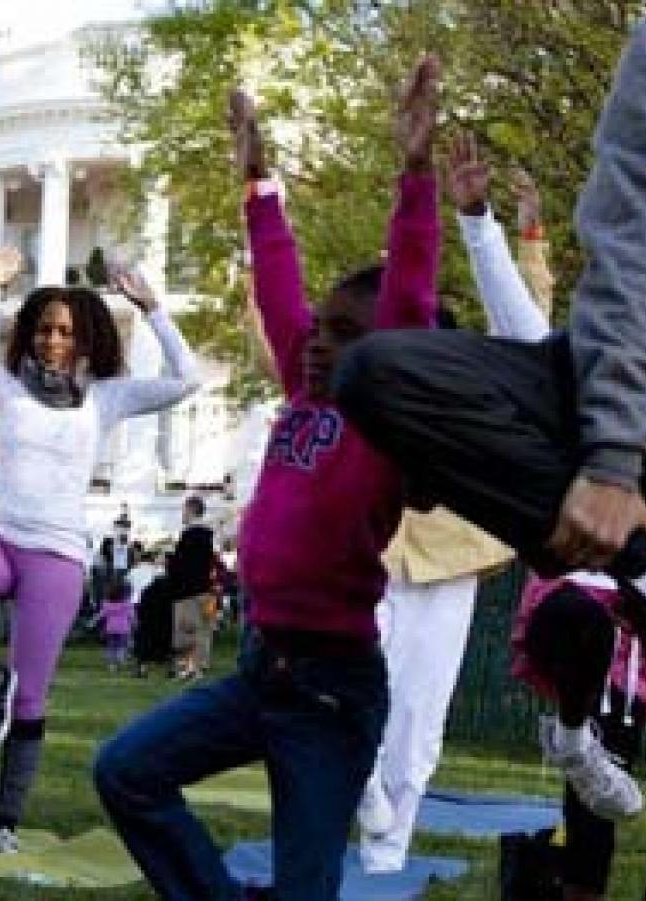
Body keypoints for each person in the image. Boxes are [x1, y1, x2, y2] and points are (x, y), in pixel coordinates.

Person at [94, 55, 441, 901]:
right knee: (125, 771)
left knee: (305, 890)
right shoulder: (301, 384)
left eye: (343, 334)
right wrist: (258, 183)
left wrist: (417, 176)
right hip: (261, 672)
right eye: (318, 330)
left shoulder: (383, 424)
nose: (318, 342)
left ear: (386, 351)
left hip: (331, 693)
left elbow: (408, 301)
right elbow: (279, 277)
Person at [332, 15, 646, 848]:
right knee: (376, 371)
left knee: (448, 690)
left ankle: (581, 720)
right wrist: (612, 463)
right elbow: (609, 262)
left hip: (591, 485)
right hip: (595, 428)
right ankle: (645, 568)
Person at [0, 247, 200, 853]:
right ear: (29, 332)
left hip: (57, 558)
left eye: (66, 332)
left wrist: (154, 309)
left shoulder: (106, 397)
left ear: (86, 341)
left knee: (30, 698)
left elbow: (187, 380)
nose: (53, 340)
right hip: (0, 536)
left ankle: (4, 823)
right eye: (45, 328)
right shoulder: (1, 384)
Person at [357, 135, 554, 873]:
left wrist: (521, 235)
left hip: (454, 557)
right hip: (371, 552)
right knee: (354, 687)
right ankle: (364, 795)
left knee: (421, 714)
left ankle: (388, 848)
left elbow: (527, 328)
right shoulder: (371, 386)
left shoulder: (479, 385)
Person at [512, 567, 646, 901]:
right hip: (579, 603)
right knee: (582, 620)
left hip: (636, 623)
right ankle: (572, 739)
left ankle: (574, 743)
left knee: (603, 782)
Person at [167, 494, 216, 679]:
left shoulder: (188, 535)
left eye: (183, 510)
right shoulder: (210, 535)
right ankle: (202, 664)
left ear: (191, 510)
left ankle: (187, 666)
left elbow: (180, 565)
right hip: (208, 590)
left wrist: (170, 562)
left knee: (187, 629)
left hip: (188, 590)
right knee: (205, 629)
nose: (182, 514)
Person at [96, 578, 137, 673]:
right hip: (123, 629)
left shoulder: (106, 604)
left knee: (111, 646)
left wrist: (92, 622)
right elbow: (132, 616)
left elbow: (101, 615)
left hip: (110, 629)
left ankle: (111, 665)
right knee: (122, 645)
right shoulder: (127, 605)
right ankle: (120, 659)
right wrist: (135, 623)